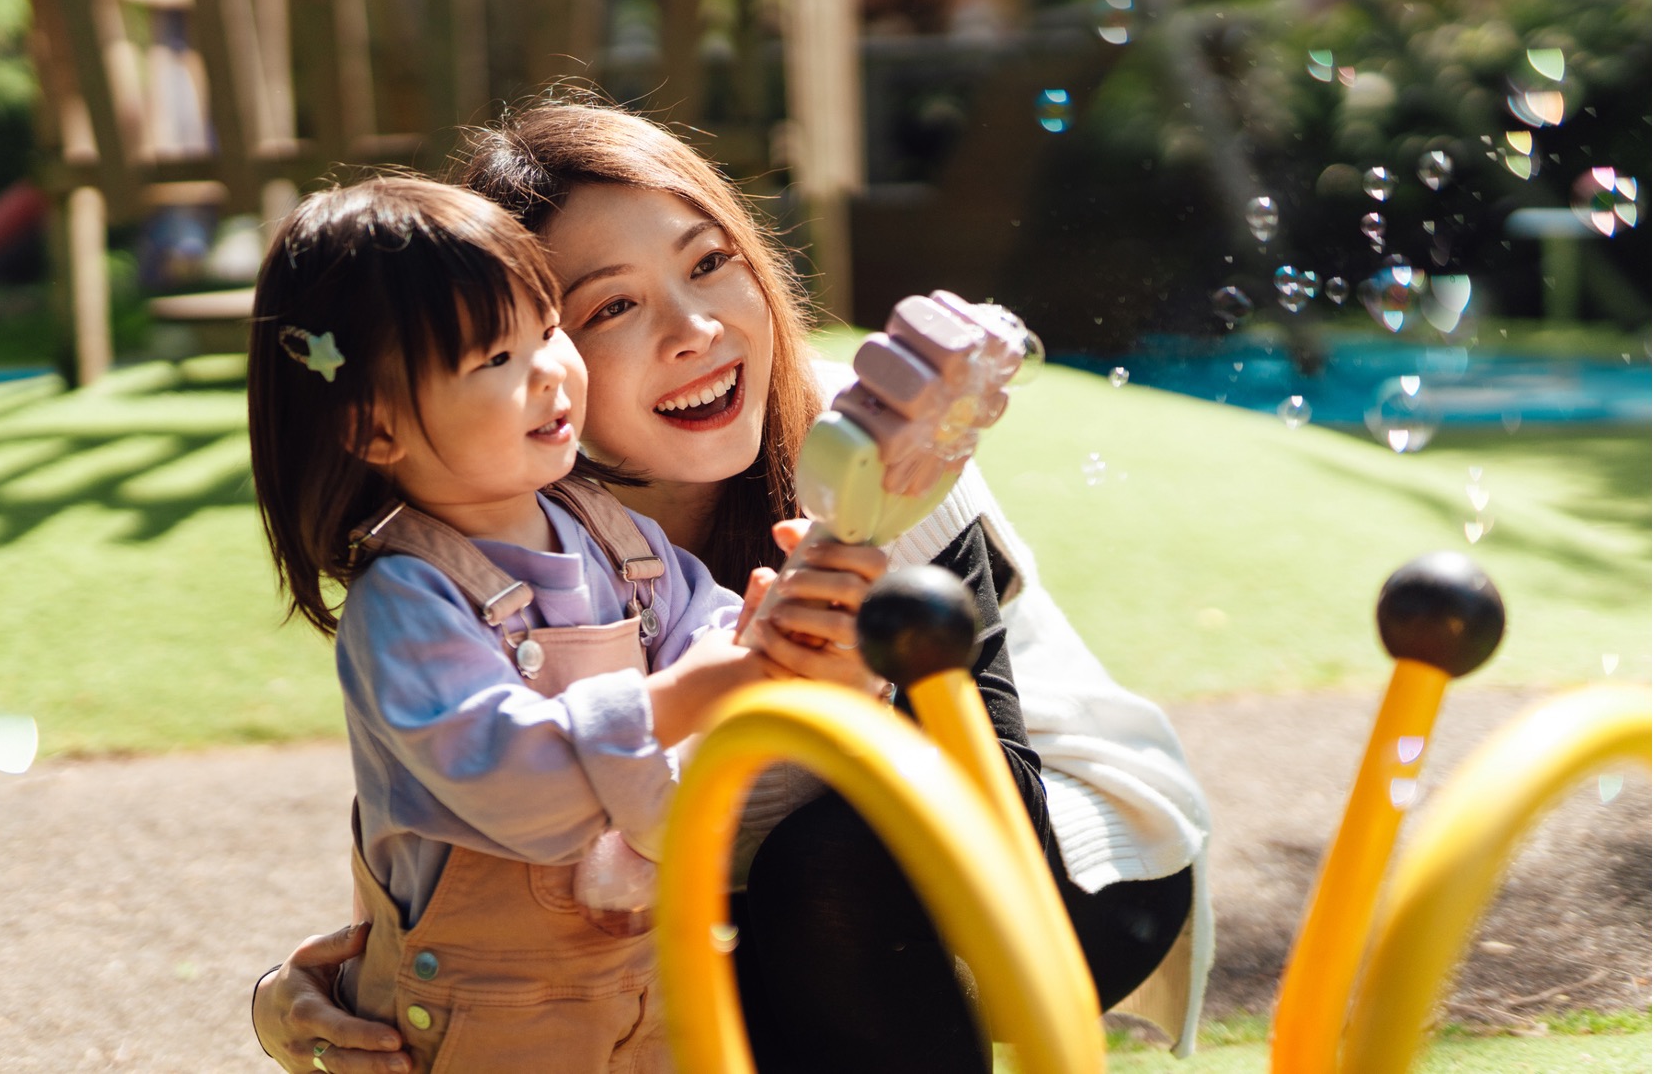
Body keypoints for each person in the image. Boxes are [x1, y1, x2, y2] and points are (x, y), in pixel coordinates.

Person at [254, 99, 1213, 1073]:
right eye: (609, 306)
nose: (696, 328)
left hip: (1056, 843)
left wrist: (861, 696)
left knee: (815, 870)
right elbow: (481, 809)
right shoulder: (498, 518)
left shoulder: (877, 443)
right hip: (735, 883)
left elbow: (979, 798)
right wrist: (328, 980)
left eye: (709, 261)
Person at [246, 176, 884, 1074]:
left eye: (547, 330)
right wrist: (706, 686)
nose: (549, 370)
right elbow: (514, 783)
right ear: (374, 428)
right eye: (495, 360)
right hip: (486, 1008)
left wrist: (774, 632)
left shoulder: (609, 535)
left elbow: (704, 629)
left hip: (653, 968)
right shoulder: (408, 603)